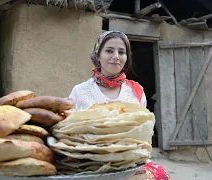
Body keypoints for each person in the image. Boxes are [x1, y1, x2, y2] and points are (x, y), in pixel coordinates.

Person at [69, 30, 172, 180]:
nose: (116, 56)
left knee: (160, 174)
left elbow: (144, 134)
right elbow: (70, 134)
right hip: (90, 164)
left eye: (121, 52)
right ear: (98, 55)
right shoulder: (80, 91)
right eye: (109, 50)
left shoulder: (135, 91)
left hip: (131, 162)